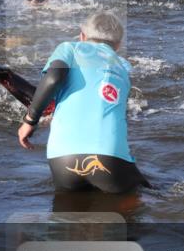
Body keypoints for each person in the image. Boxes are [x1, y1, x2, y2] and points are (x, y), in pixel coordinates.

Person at [15, 11, 149, 193]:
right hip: (109, 157)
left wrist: (30, 120)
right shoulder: (123, 66)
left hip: (62, 157)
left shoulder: (69, 48)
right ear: (118, 45)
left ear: (82, 36)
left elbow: (53, 79)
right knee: (146, 197)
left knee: (67, 216)